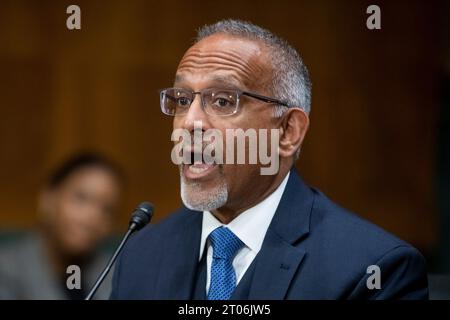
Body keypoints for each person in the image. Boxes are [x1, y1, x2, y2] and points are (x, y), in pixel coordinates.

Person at [110, 19, 428, 299]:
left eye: (222, 100)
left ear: (288, 131)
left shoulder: (374, 269)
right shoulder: (139, 255)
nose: (190, 122)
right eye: (181, 100)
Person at [0, 153, 123, 299]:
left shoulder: (115, 274)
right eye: (81, 198)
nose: (92, 217)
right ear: (47, 200)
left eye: (106, 209)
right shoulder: (7, 269)